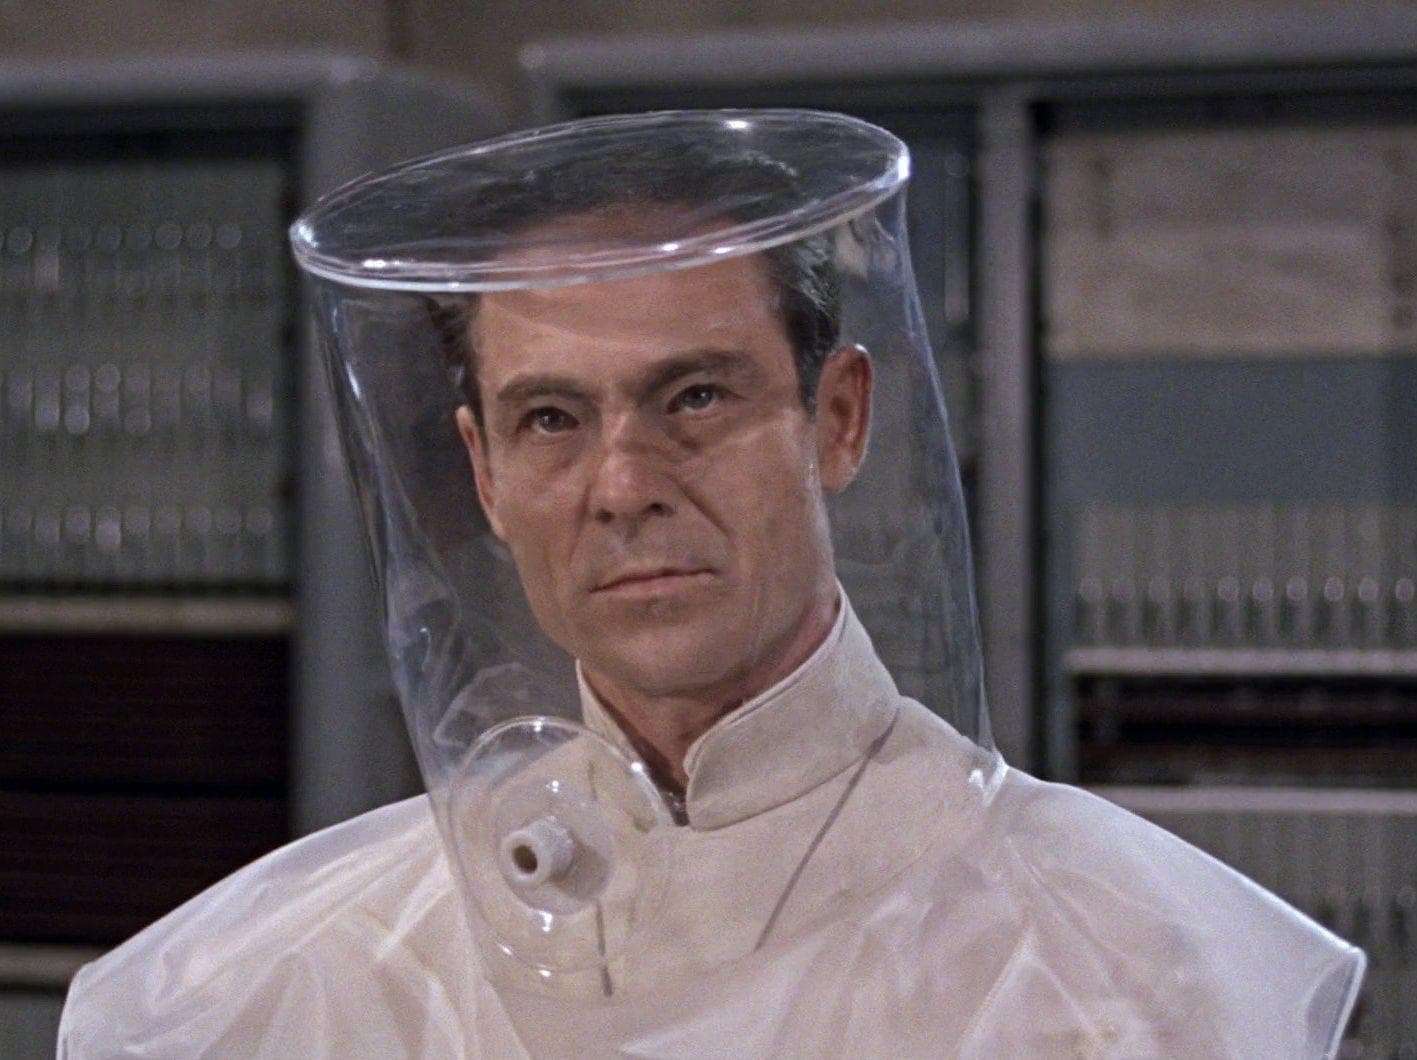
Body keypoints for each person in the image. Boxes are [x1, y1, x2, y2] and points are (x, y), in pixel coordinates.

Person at [60, 111, 1364, 1057]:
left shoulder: (1116, 968)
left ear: (837, 418)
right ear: (485, 474)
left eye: (694, 396)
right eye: (551, 419)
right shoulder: (293, 972)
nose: (624, 484)